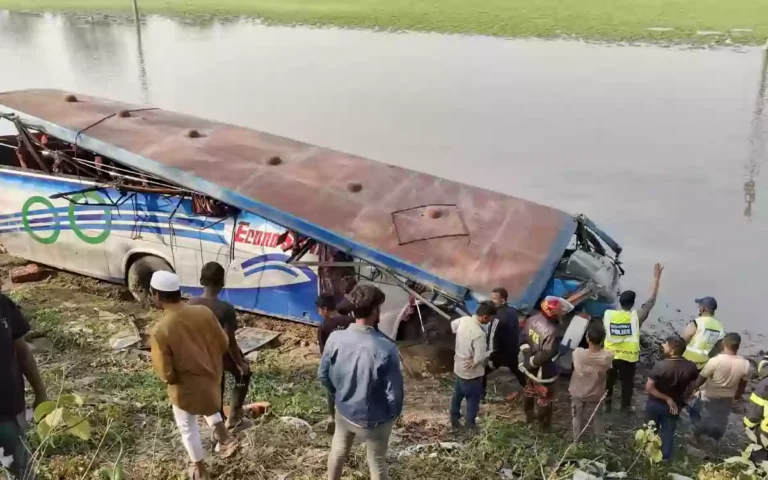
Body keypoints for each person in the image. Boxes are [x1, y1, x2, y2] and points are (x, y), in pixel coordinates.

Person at [148, 271, 237, 480]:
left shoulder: (161, 330)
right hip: (211, 376)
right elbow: (223, 343)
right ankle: (224, 438)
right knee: (208, 403)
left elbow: (166, 373)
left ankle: (200, 469)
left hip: (185, 387)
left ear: (157, 295)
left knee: (187, 427)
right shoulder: (203, 312)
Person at [319, 284, 403, 480]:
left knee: (338, 452)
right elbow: (395, 393)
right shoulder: (386, 347)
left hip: (344, 411)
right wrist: (392, 415)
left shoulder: (335, 338)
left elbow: (323, 375)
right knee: (377, 462)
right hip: (376, 418)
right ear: (375, 310)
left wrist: (338, 395)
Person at [188, 262, 252, 430]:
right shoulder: (226, 309)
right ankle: (234, 416)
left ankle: (219, 423)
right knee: (242, 375)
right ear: (222, 283)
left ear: (201, 280)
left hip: (200, 356)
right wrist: (240, 364)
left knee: (217, 385)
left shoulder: (190, 305)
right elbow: (229, 340)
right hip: (221, 355)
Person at [604, 263, 663, 413]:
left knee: (608, 381)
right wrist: (656, 279)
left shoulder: (609, 315)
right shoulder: (636, 317)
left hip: (609, 355)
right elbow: (651, 300)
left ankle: (606, 403)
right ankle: (625, 406)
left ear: (620, 302)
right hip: (628, 358)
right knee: (627, 383)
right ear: (632, 303)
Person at [0, 292, 47, 480]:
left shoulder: (3, 305)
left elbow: (23, 354)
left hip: (9, 408)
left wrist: (41, 393)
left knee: (21, 470)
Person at [520, 296, 572, 432]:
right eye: (560, 311)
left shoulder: (532, 319)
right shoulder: (554, 332)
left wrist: (527, 359)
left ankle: (529, 417)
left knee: (529, 390)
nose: (562, 312)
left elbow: (523, 338)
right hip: (544, 371)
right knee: (545, 397)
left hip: (529, 364)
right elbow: (547, 354)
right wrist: (532, 363)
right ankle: (544, 427)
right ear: (552, 313)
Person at [687, 332, 749, 444]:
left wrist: (692, 390)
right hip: (728, 398)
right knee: (721, 418)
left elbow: (701, 379)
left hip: (710, 395)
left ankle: (695, 437)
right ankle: (716, 438)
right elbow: (743, 384)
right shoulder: (745, 364)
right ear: (738, 346)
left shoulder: (715, 361)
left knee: (702, 415)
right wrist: (737, 397)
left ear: (724, 343)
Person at [645, 335, 699, 461]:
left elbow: (649, 387)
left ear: (673, 350)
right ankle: (665, 458)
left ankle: (648, 455)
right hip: (675, 405)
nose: (663, 346)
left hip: (656, 403)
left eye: (666, 344)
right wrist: (681, 399)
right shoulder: (691, 367)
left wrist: (666, 399)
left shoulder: (661, 365)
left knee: (651, 429)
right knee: (668, 431)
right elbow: (692, 387)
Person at [451, 301, 497, 429]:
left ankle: (454, 418)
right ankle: (470, 425)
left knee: (457, 395)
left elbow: (453, 326)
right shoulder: (479, 334)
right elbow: (479, 357)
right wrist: (489, 353)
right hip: (471, 373)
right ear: (485, 317)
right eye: (490, 319)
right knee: (472, 400)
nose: (489, 322)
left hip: (459, 365)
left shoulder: (464, 320)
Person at [315, 293, 354, 434]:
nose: (319, 313)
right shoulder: (350, 320)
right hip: (351, 364)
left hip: (334, 366)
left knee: (331, 392)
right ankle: (350, 417)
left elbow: (323, 351)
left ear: (325, 309)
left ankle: (332, 418)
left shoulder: (324, 326)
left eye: (319, 310)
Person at [569, 322, 613, 441]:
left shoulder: (578, 353)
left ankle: (576, 442)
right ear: (603, 339)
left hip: (577, 392)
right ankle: (599, 441)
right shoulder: (607, 357)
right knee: (597, 417)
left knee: (577, 417)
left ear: (587, 338)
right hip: (596, 394)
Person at [484, 288, 527, 401]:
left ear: (502, 301)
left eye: (494, 299)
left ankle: (480, 396)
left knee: (482, 372)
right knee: (517, 370)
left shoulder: (497, 317)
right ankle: (527, 388)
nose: (491, 301)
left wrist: (491, 355)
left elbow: (492, 336)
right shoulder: (512, 311)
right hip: (512, 350)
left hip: (500, 353)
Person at [682, 297, 725, 370]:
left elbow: (682, 341)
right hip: (703, 366)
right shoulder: (720, 326)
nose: (698, 307)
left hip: (687, 362)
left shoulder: (697, 323)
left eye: (700, 305)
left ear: (704, 309)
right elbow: (719, 348)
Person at [744, 354, 768, 461]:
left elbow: (754, 412)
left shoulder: (765, 385)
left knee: (760, 458)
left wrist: (748, 424)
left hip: (766, 433)